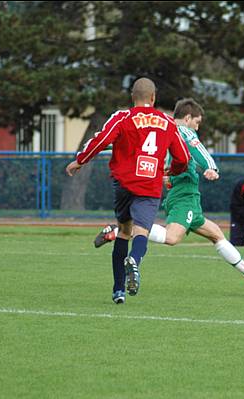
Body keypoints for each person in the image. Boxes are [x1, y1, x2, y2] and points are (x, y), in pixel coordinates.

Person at [94, 98, 244, 287]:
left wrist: (99, 146)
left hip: (183, 196)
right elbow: (196, 147)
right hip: (185, 195)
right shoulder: (182, 130)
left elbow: (124, 140)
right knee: (172, 237)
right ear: (188, 118)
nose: (197, 128)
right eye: (197, 122)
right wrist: (211, 167)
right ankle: (119, 230)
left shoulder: (160, 129)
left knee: (216, 234)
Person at [66, 77, 190, 305]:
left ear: (133, 97)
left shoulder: (123, 117)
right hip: (149, 183)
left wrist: (80, 161)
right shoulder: (168, 122)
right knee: (141, 231)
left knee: (124, 231)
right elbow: (183, 158)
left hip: (124, 183)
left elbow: (101, 140)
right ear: (153, 98)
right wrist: (170, 171)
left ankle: (118, 290)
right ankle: (134, 259)